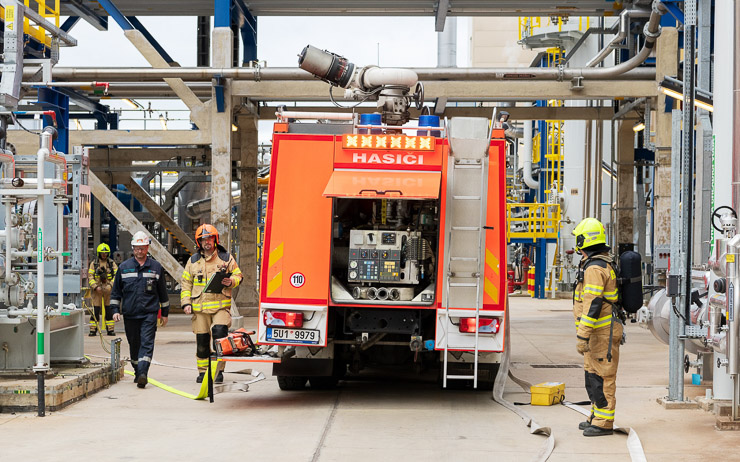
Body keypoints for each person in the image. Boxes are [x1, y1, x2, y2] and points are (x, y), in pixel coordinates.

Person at [572, 218, 623, 437]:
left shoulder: (595, 268)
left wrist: (582, 335)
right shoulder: (598, 264)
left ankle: (604, 422)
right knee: (592, 375)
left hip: (601, 332)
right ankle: (596, 415)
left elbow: (592, 303)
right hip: (597, 333)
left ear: (584, 240)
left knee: (603, 376)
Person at [180, 224, 242, 384]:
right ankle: (203, 372)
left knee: (220, 337)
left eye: (210, 238)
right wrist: (186, 303)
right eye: (203, 239)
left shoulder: (225, 258)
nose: (207, 242)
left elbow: (238, 275)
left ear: (215, 239)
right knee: (201, 343)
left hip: (220, 307)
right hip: (199, 309)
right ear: (199, 242)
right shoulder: (193, 261)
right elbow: (186, 283)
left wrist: (231, 281)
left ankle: (218, 371)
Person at [110, 231, 170, 389]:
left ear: (147, 248)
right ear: (133, 248)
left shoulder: (156, 268)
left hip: (149, 314)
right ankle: (138, 370)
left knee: (147, 343)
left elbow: (162, 292)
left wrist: (164, 313)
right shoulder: (124, 268)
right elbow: (116, 292)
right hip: (130, 314)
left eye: (142, 248)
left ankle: (143, 373)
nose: (140, 251)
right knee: (134, 344)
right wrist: (115, 310)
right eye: (137, 248)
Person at [88, 243, 118, 336]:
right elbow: (90, 277)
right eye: (102, 253)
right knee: (95, 310)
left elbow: (117, 276)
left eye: (105, 253)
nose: (104, 255)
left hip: (108, 290)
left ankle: (110, 329)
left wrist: (111, 285)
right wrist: (95, 287)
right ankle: (93, 330)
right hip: (97, 290)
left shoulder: (111, 263)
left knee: (109, 310)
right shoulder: (94, 264)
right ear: (99, 253)